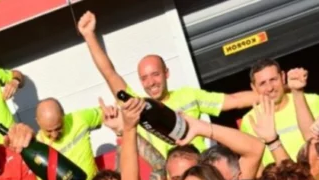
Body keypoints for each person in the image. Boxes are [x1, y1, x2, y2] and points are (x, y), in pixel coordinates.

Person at [76, 11, 257, 158]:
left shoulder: (189, 95)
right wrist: (89, 35)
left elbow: (235, 100)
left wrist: (277, 93)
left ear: (167, 73)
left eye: (155, 74)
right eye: (144, 78)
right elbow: (109, 73)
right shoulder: (136, 105)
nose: (151, 82)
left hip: (204, 172)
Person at [240, 60, 319, 166]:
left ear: (283, 77)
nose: (270, 88)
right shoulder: (249, 120)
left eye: (273, 79)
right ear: (254, 88)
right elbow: (254, 163)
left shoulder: (313, 101)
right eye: (262, 83)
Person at [34, 98, 102, 180]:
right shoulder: (37, 147)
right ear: (37, 122)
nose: (54, 135)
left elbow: (109, 114)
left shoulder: (79, 119)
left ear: (63, 114)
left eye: (58, 128)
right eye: (48, 131)